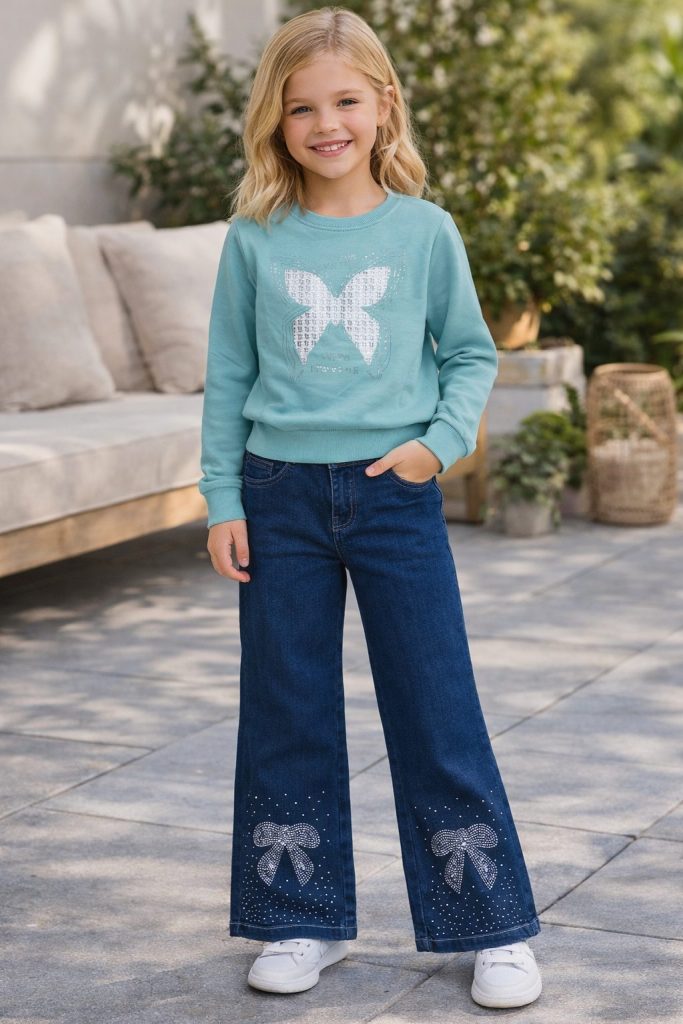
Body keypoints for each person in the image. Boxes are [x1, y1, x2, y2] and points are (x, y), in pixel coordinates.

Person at [198, 5, 543, 1009]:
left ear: (383, 105)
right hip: (278, 495)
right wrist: (221, 497)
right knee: (286, 705)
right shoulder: (254, 239)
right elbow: (228, 378)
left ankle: (491, 926)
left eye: (345, 101)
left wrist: (436, 446)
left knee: (435, 701)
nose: (325, 124)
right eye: (301, 107)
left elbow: (469, 353)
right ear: (275, 120)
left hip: (394, 495)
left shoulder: (423, 232)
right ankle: (299, 916)